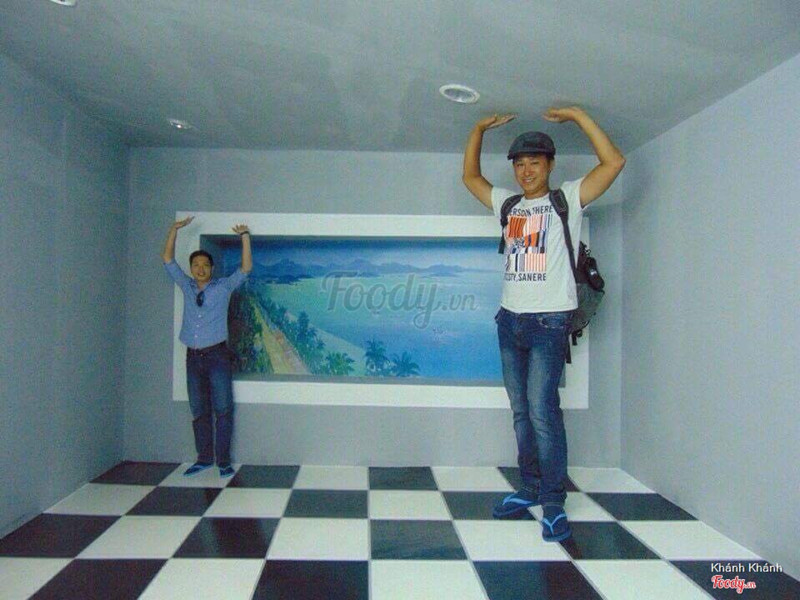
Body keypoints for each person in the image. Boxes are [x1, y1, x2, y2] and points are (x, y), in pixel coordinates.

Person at [462, 106, 625, 541]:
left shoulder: (566, 200)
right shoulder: (509, 204)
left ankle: (553, 501)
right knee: (521, 413)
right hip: (509, 321)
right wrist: (477, 128)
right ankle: (530, 487)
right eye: (519, 164)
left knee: (542, 413)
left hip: (549, 323)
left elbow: (614, 163)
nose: (526, 171)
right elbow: (471, 178)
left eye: (534, 162)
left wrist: (578, 116)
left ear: (550, 165)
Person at [161, 217, 253, 477]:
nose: (200, 269)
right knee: (199, 409)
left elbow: (245, 269)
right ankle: (203, 458)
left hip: (217, 355)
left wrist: (244, 236)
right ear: (191, 268)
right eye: (196, 265)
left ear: (212, 268)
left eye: (204, 265)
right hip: (192, 356)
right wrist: (174, 229)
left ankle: (223, 461)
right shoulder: (186, 285)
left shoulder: (223, 287)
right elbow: (167, 259)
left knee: (223, 408)